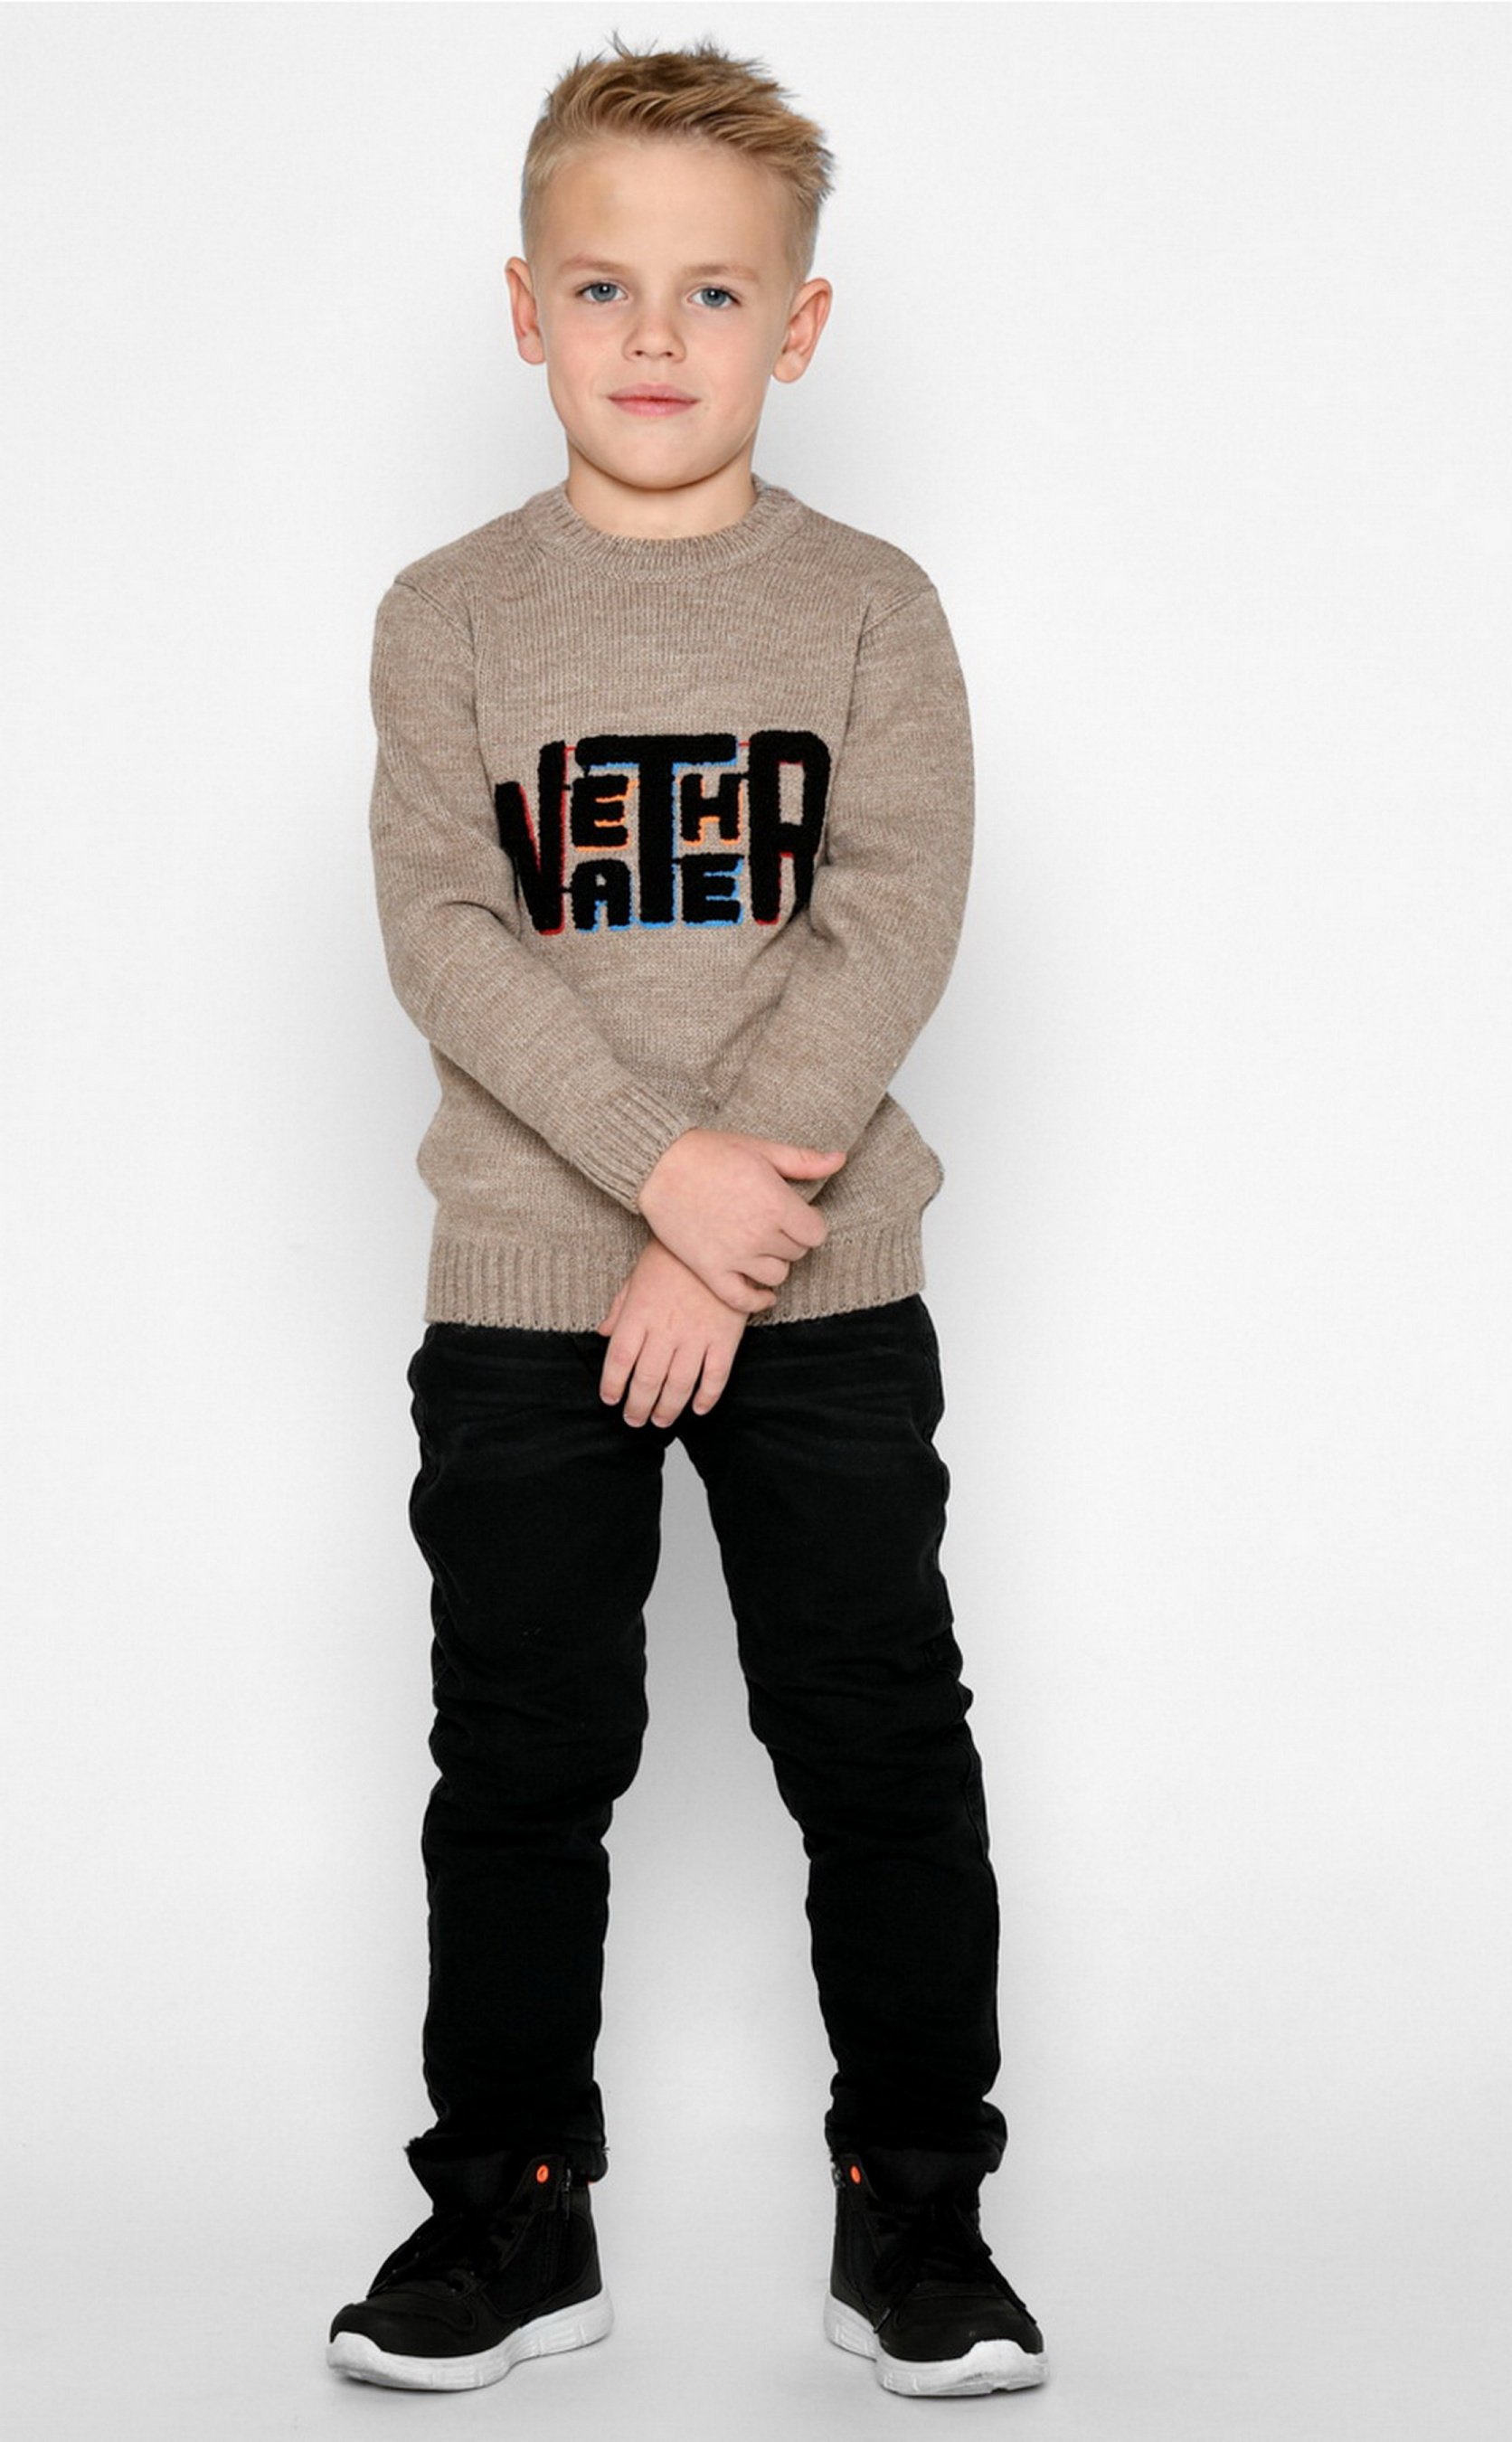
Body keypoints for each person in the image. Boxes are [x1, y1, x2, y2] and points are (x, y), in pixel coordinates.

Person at [325, 38, 1046, 2401]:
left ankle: (919, 2212)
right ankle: (508, 2212)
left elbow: (893, 915)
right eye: (606, 286)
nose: (657, 336)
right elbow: (445, 933)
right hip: (526, 1299)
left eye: (714, 292)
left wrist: (720, 1238)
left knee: (879, 1741)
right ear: (524, 307)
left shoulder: (869, 607)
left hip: (823, 1294)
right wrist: (663, 1179)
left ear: (796, 328)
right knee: (522, 1759)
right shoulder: (447, 614)